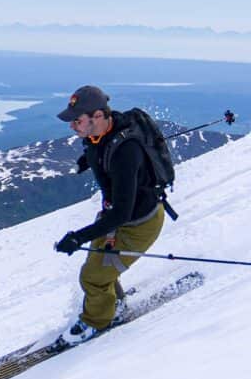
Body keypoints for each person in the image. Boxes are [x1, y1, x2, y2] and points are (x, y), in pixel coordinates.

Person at [52, 85, 166, 347]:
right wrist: (89, 159)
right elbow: (100, 148)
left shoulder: (127, 152)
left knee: (92, 277)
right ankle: (114, 304)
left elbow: (122, 213)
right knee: (97, 266)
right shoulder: (102, 134)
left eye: (77, 120)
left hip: (138, 224)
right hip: (120, 216)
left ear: (99, 116)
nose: (73, 126)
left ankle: (97, 321)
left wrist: (76, 237)